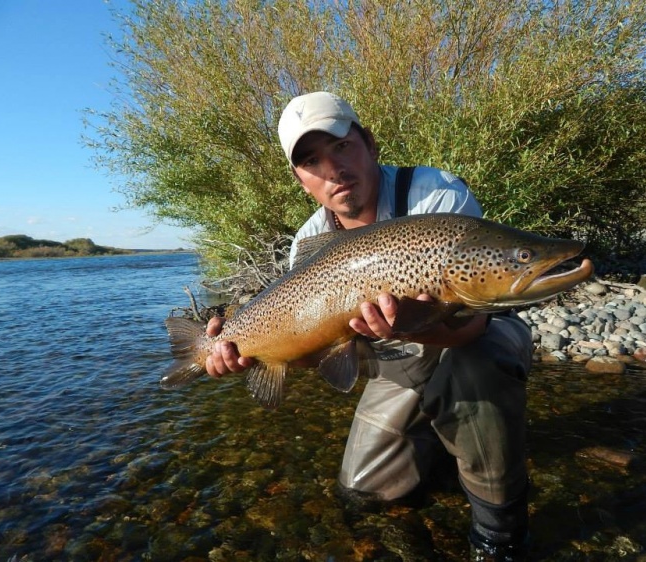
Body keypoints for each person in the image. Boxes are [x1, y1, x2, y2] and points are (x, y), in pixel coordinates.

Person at [205, 91, 533, 561]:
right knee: (364, 493)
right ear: (300, 179)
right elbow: (313, 349)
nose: (332, 169)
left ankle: (500, 531)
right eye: (311, 161)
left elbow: (472, 325)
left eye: (341, 147)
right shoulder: (309, 244)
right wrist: (245, 352)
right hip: (396, 360)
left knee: (477, 365)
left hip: (473, 338)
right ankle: (453, 444)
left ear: (370, 143)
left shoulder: (437, 196)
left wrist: (408, 326)